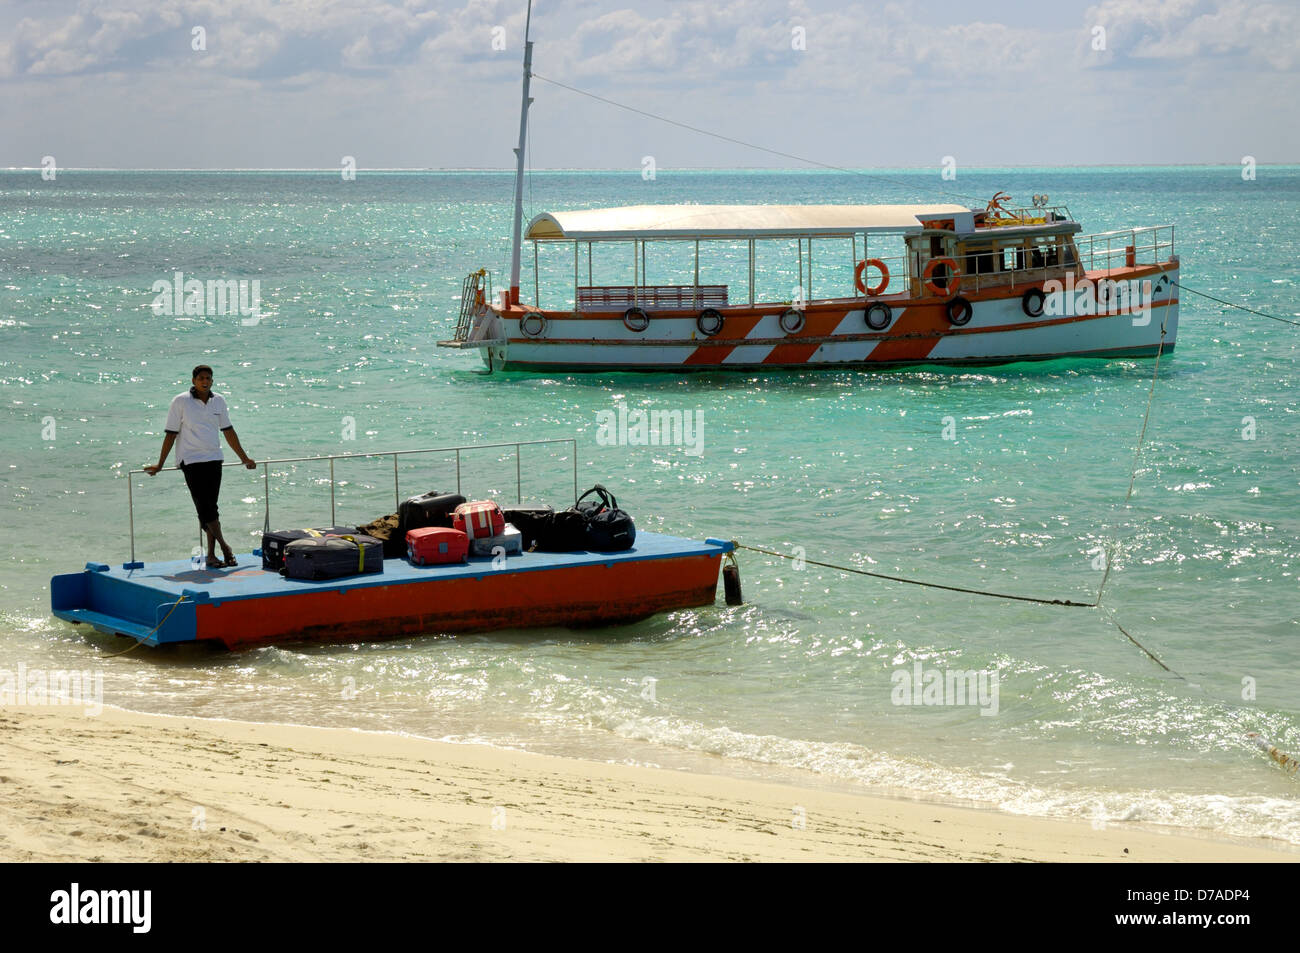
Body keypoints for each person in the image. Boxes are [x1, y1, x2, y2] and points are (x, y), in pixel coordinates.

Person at [144, 365, 256, 568]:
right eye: (201, 378)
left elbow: (228, 431)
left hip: (214, 458)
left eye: (209, 378)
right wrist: (160, 464)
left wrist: (244, 458)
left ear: (212, 381)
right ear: (194, 380)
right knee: (206, 507)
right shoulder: (180, 401)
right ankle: (225, 547)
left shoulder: (218, 400)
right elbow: (171, 433)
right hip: (191, 461)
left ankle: (212, 556)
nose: (205, 381)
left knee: (209, 509)